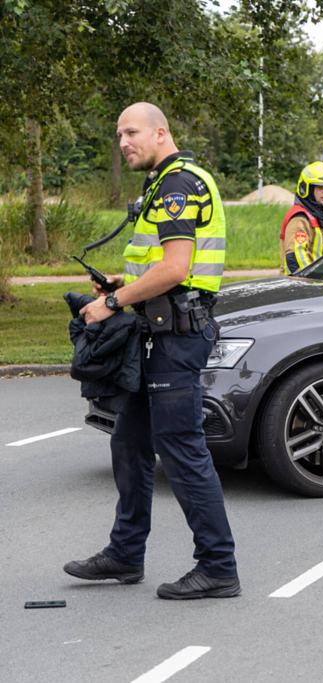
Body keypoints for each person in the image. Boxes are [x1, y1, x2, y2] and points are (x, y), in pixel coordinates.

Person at [66, 103, 240, 600]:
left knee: (181, 449)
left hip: (175, 337)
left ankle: (219, 567)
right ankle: (125, 554)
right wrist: (123, 285)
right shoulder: (164, 181)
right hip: (158, 332)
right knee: (128, 442)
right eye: (119, 135)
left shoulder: (177, 185)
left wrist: (111, 303)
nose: (124, 143)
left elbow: (176, 268)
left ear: (160, 132)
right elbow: (161, 266)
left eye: (132, 133)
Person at [280, 161, 323, 274]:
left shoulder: (320, 216)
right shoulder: (300, 218)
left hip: (319, 281)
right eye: (320, 187)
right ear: (307, 189)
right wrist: (311, 281)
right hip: (300, 282)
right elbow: (295, 257)